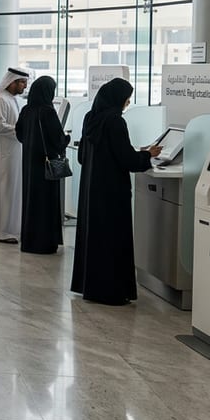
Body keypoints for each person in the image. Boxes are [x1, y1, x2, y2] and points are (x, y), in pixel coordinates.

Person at [71, 78, 161, 305]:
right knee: (111, 240)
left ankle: (91, 287)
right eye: (126, 98)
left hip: (92, 189)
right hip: (112, 192)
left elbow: (83, 156)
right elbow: (126, 160)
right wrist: (148, 155)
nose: (128, 102)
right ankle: (110, 291)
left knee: (95, 238)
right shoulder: (115, 122)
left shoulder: (90, 118)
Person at [15, 76, 70, 255]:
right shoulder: (48, 111)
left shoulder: (26, 110)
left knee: (31, 201)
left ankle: (30, 241)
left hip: (30, 162)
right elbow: (58, 140)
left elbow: (20, 134)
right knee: (46, 203)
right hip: (46, 165)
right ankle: (44, 243)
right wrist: (67, 138)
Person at [0, 67, 30, 244]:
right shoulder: (0, 100)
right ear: (12, 82)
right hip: (2, 154)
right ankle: (0, 231)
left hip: (12, 152)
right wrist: (21, 130)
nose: (24, 86)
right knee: (3, 191)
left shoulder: (10, 99)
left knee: (10, 191)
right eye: (22, 82)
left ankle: (9, 228)